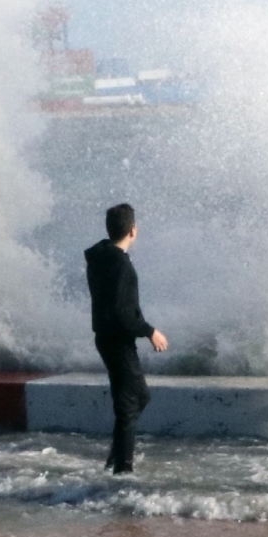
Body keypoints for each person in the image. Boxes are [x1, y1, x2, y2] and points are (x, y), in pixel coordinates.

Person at [83, 203, 169, 474]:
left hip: (107, 338)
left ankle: (116, 458)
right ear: (133, 230)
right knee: (134, 399)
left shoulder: (101, 257)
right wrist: (150, 331)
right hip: (117, 340)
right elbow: (122, 312)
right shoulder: (120, 264)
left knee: (132, 398)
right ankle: (123, 468)